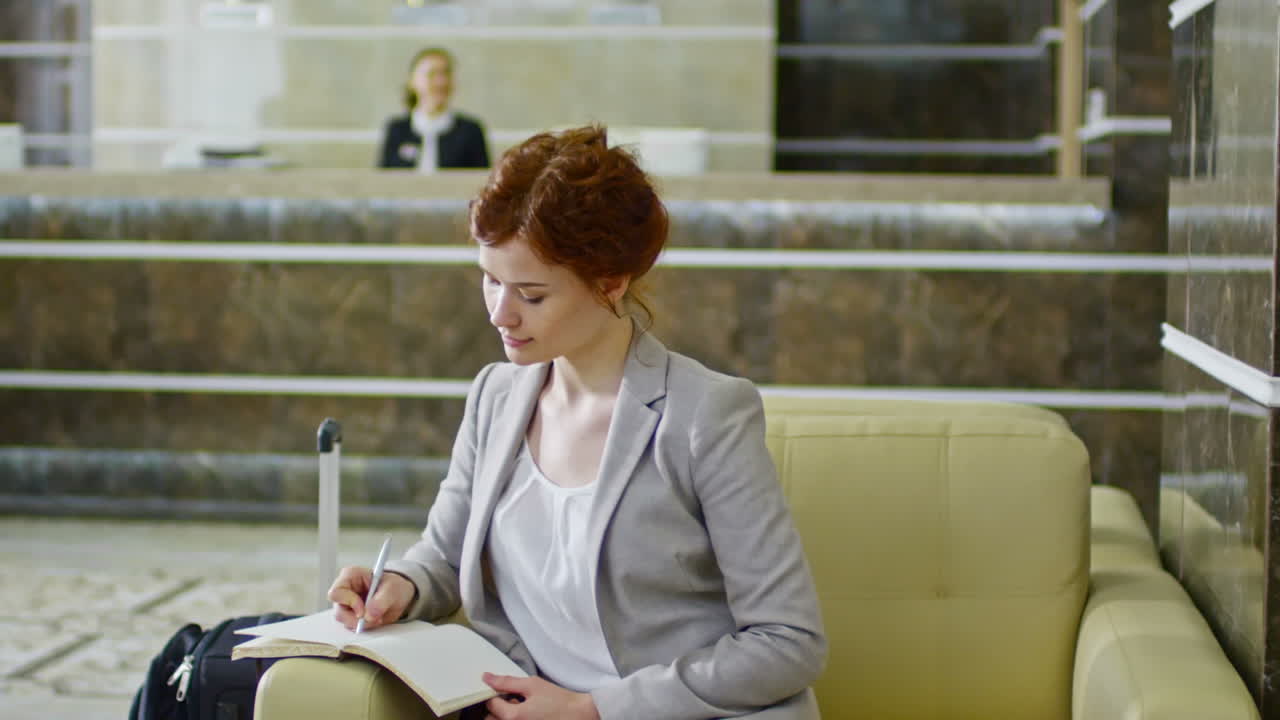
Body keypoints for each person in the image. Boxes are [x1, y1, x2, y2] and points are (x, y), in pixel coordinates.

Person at [331, 125, 825, 719]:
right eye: (490, 279)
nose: (500, 313)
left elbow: (787, 641)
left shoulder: (705, 415)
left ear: (611, 282)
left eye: (532, 294)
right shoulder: (496, 396)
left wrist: (593, 709)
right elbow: (444, 554)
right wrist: (399, 588)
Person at [378, 47, 489, 171]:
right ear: (412, 81)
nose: (440, 82)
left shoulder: (470, 131)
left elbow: (482, 182)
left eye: (446, 73)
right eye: (431, 74)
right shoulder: (397, 130)